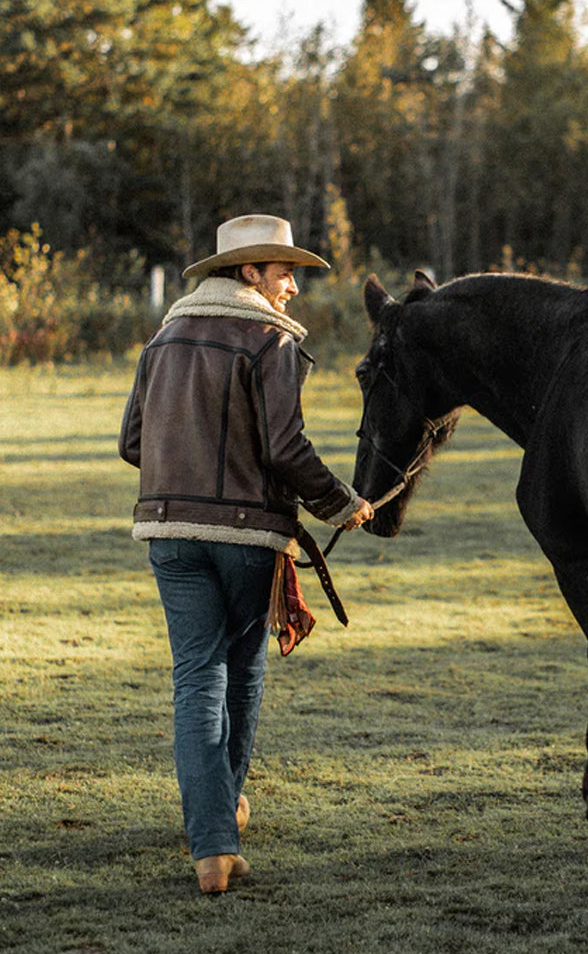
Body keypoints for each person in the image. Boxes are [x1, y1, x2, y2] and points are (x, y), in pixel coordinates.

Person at [118, 214, 373, 894]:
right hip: (247, 537)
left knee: (196, 678)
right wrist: (343, 504)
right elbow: (285, 448)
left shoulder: (163, 337)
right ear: (248, 273)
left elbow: (131, 443)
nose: (292, 284)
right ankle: (216, 833)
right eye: (283, 270)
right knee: (241, 673)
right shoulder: (270, 340)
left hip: (168, 532)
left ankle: (217, 831)